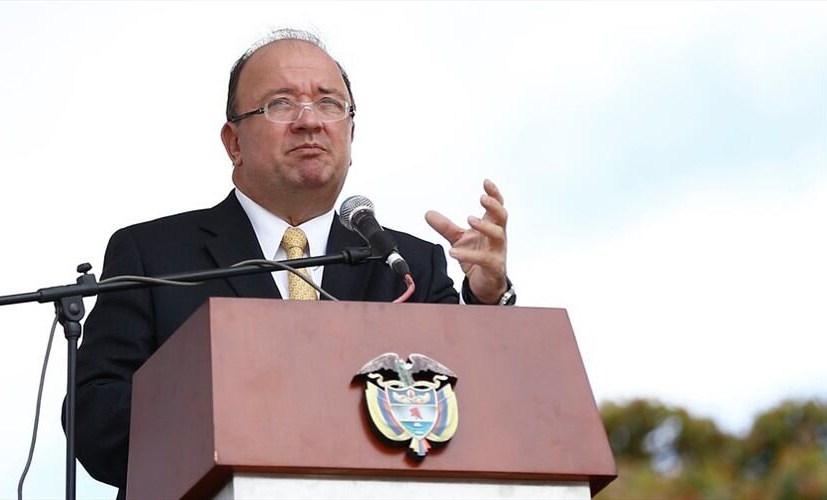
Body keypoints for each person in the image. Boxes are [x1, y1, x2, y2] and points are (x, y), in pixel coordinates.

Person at [68, 29, 513, 497]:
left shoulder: (406, 265)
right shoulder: (153, 255)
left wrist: (487, 301)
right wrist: (243, 412)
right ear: (233, 141)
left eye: (328, 104)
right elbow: (97, 422)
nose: (309, 121)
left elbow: (476, 415)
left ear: (351, 133)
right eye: (280, 104)